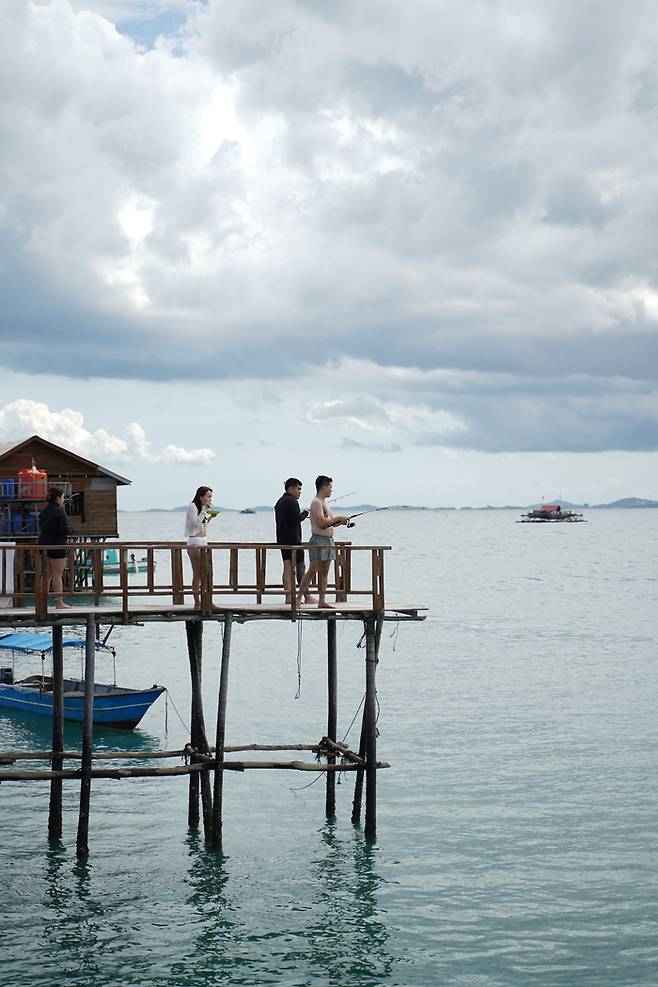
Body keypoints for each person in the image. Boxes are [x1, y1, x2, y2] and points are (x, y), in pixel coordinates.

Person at [296, 475, 349, 609]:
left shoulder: (325, 503)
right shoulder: (316, 503)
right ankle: (298, 599)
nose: (331, 490)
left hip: (328, 541)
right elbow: (321, 522)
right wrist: (338, 518)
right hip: (318, 541)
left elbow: (330, 523)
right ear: (324, 487)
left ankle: (322, 600)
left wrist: (340, 522)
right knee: (312, 570)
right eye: (330, 487)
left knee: (325, 572)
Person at [275, 477, 315, 604]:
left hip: (282, 539)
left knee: (287, 567)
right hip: (293, 540)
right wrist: (305, 512)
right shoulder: (291, 501)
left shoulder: (280, 502)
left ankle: (288, 597)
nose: (300, 492)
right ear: (290, 488)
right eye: (298, 489)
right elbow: (296, 518)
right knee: (300, 567)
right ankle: (307, 596)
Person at [38, 486, 72, 610]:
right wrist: (71, 532)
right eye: (63, 497)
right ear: (57, 498)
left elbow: (42, 527)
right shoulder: (59, 511)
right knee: (57, 574)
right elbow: (64, 530)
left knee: (46, 574)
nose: (63, 500)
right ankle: (59, 602)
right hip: (57, 544)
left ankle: (42, 602)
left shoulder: (44, 512)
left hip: (44, 543)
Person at [185, 486, 217, 608]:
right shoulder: (193, 507)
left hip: (203, 541)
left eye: (211, 496)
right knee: (198, 573)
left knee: (207, 573)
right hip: (194, 542)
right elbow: (194, 525)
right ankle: (197, 602)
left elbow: (203, 526)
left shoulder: (201, 509)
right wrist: (204, 511)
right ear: (200, 497)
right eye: (208, 496)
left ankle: (208, 601)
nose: (210, 499)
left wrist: (210, 517)